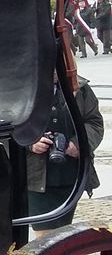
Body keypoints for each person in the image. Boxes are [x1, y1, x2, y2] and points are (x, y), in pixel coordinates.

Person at [26, 74, 103, 235]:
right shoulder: (23, 87)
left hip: (72, 176)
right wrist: (30, 141)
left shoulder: (80, 88)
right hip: (36, 179)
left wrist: (80, 142)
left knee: (63, 232)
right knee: (46, 238)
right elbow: (6, 125)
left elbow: (94, 122)